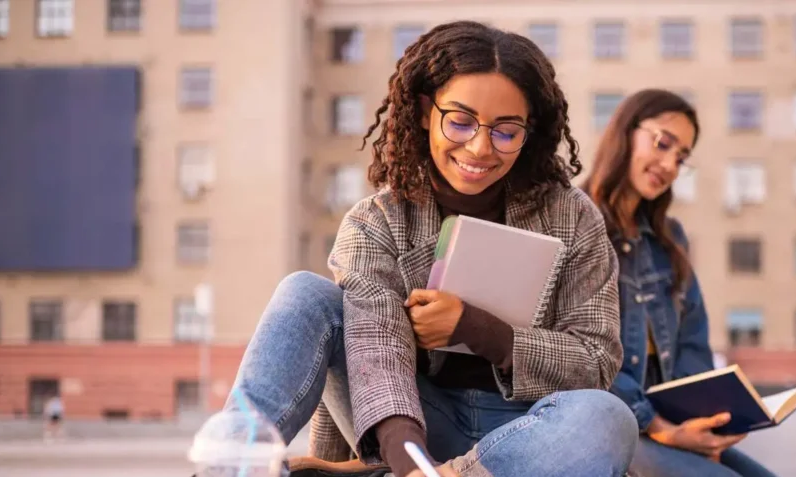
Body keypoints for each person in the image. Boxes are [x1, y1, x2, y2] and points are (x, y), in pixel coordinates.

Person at [227, 21, 637, 477]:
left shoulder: (572, 216)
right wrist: (410, 463)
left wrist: (479, 329)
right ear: (425, 112)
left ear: (530, 132)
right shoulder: (376, 221)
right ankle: (230, 462)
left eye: (506, 131)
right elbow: (376, 354)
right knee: (305, 293)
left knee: (608, 417)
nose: (480, 148)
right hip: (413, 424)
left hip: (529, 434)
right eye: (460, 122)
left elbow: (596, 362)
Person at [585, 89, 778, 477]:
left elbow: (692, 342)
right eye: (663, 143)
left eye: (681, 157)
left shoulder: (669, 240)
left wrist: (704, 426)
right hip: (610, 422)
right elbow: (586, 355)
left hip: (671, 422)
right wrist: (662, 429)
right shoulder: (575, 221)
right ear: (625, 131)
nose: (670, 165)